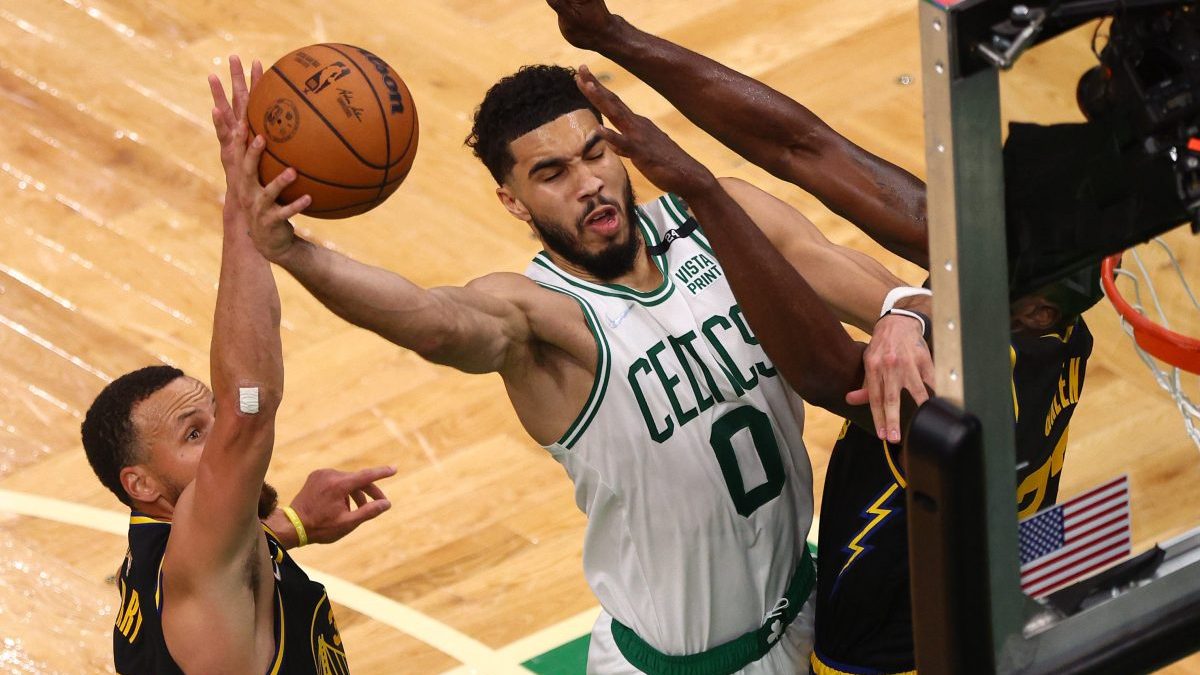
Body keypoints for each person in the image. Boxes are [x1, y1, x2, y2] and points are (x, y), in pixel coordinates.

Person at [231, 52, 935, 671]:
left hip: (811, 617)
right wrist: (296, 254)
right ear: (513, 201)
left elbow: (899, 291)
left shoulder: (722, 219)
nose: (588, 182)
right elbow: (434, 322)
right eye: (552, 173)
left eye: (595, 153)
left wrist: (903, 316)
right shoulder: (542, 317)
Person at [544, 3, 1100, 673]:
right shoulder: (1039, 304)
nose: (968, 226)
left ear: (1032, 309)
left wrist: (703, 194)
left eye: (997, 226)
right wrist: (614, 37)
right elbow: (803, 146)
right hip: (986, 602)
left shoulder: (979, 383)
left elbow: (823, 372)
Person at [80, 57, 394, 674]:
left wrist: (293, 525)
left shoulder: (187, 556)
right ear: (141, 485)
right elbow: (249, 407)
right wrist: (244, 209)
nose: (222, 428)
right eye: (195, 433)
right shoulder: (197, 568)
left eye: (212, 413)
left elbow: (231, 560)